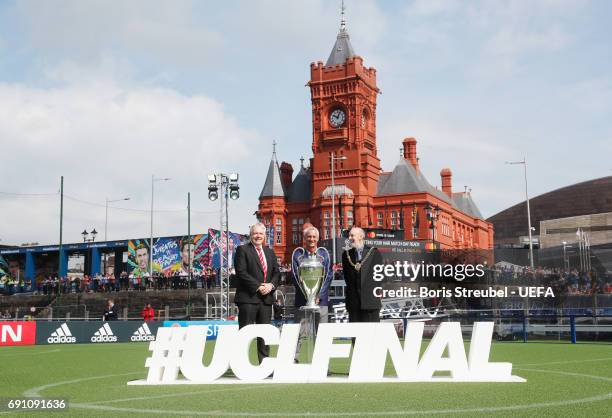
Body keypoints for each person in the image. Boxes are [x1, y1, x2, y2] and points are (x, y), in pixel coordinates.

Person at [234, 222, 281, 363]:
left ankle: (264, 364)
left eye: (261, 233)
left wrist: (271, 285)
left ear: (265, 235)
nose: (258, 236)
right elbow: (241, 272)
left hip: (266, 299)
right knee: (244, 334)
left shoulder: (270, 252)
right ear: (250, 235)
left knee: (264, 335)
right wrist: (258, 286)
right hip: (248, 298)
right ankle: (241, 363)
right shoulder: (242, 250)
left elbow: (277, 273)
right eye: (255, 233)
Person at [291, 225, 332, 362]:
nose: (311, 239)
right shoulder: (298, 254)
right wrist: (308, 296)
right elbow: (296, 276)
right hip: (302, 300)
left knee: (322, 332)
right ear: (304, 238)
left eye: (314, 237)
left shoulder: (324, 254)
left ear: (318, 239)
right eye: (309, 237)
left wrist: (318, 294)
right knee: (299, 332)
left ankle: (322, 362)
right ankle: (294, 359)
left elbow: (328, 276)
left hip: (321, 300)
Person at [341, 226, 382, 323]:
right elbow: (348, 279)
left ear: (360, 237)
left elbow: (378, 279)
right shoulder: (346, 255)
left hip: (370, 303)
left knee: (371, 335)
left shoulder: (374, 253)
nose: (350, 238)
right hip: (354, 303)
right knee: (355, 335)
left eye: (352, 235)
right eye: (349, 236)